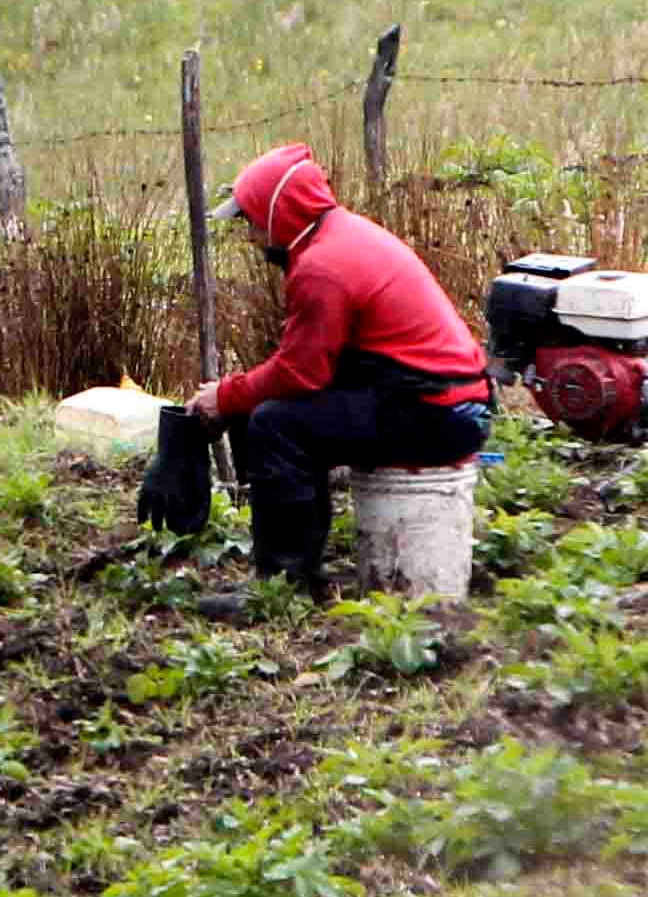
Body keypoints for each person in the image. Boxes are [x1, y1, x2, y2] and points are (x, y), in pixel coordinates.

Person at [186, 142, 493, 617]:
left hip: (434, 412)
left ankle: (282, 586)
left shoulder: (321, 268)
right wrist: (239, 399)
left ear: (280, 212)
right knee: (270, 414)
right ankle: (298, 568)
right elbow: (310, 364)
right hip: (441, 400)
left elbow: (300, 372)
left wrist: (225, 397)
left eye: (251, 220)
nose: (250, 235)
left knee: (275, 426)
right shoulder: (341, 237)